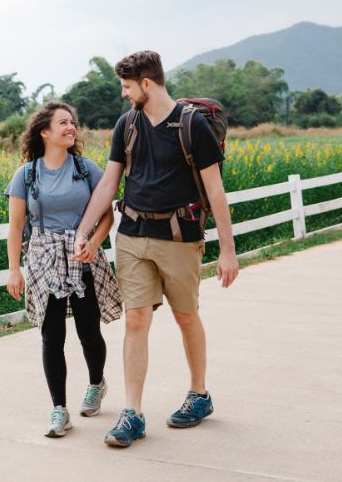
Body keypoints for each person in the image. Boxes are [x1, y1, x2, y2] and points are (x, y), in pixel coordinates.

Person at [73, 50, 239, 447]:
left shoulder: (192, 126)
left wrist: (228, 251)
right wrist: (84, 230)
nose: (125, 94)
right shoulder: (127, 124)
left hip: (179, 238)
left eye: (127, 87)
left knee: (185, 317)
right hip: (131, 235)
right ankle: (133, 414)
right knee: (136, 321)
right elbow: (109, 184)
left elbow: (215, 190)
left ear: (147, 84)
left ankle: (199, 394)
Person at [5, 101, 122, 438]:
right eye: (63, 123)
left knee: (89, 331)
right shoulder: (26, 175)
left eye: (73, 123)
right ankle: (59, 410)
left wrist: (95, 243)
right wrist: (15, 270)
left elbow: (107, 215)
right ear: (45, 132)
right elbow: (15, 228)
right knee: (51, 336)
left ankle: (97, 383)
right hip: (43, 258)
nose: (71, 128)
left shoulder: (86, 169)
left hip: (82, 256)